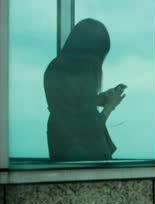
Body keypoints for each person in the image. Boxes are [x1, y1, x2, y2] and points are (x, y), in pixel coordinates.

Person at [43, 18, 126, 161]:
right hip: (81, 155)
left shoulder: (56, 68)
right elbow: (86, 130)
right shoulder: (76, 73)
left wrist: (96, 100)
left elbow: (71, 107)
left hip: (62, 147)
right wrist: (108, 107)